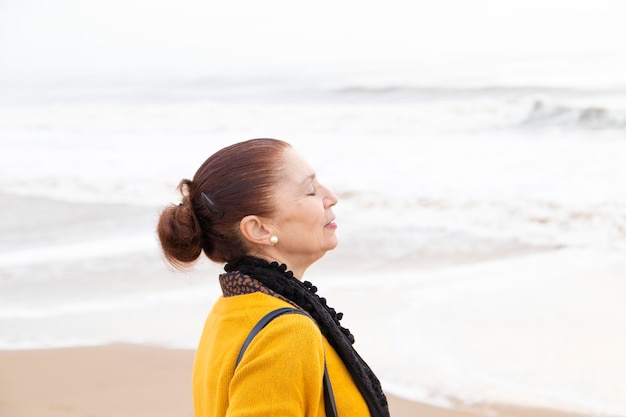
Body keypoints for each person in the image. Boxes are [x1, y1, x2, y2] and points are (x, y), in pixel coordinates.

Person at [157, 138, 389, 417]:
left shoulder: (228, 309)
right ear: (258, 229)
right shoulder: (285, 332)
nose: (331, 196)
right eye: (310, 191)